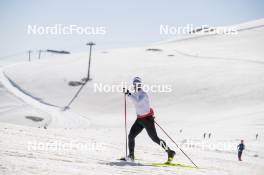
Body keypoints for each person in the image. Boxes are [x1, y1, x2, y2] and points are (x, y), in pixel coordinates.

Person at [123, 77, 175, 162]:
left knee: (154, 138)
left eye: (138, 84)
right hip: (139, 119)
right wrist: (128, 94)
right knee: (131, 136)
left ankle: (170, 151)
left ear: (140, 85)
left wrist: (128, 94)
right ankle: (131, 156)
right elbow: (135, 100)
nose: (137, 86)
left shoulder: (143, 94)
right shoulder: (135, 94)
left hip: (147, 120)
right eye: (135, 84)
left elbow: (137, 102)